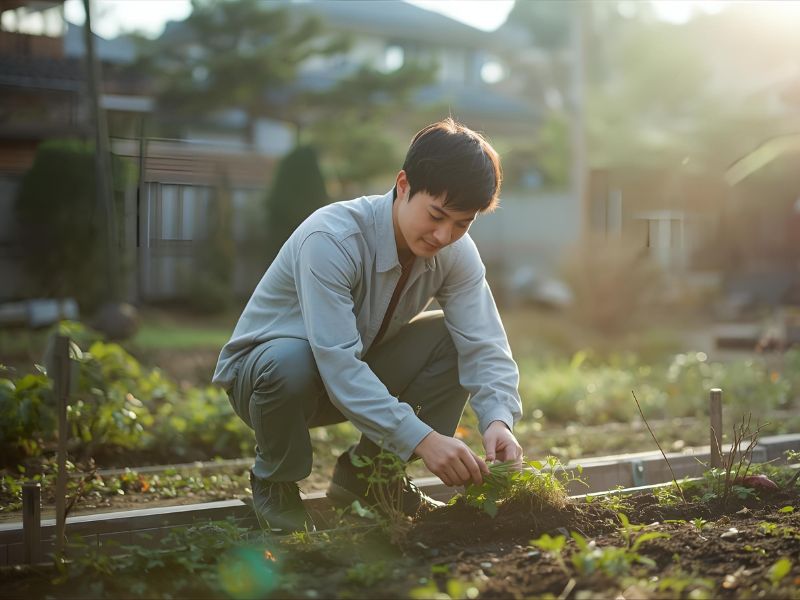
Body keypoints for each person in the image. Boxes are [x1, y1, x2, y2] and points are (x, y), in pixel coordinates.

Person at [213, 118, 523, 533]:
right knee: (290, 359)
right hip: (269, 382)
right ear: (402, 184)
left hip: (352, 374)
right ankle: (275, 479)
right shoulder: (331, 239)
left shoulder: (457, 252)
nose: (444, 235)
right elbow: (336, 362)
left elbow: (484, 342)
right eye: (436, 215)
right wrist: (423, 438)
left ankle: (371, 478)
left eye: (462, 223)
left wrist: (499, 420)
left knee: (453, 339)